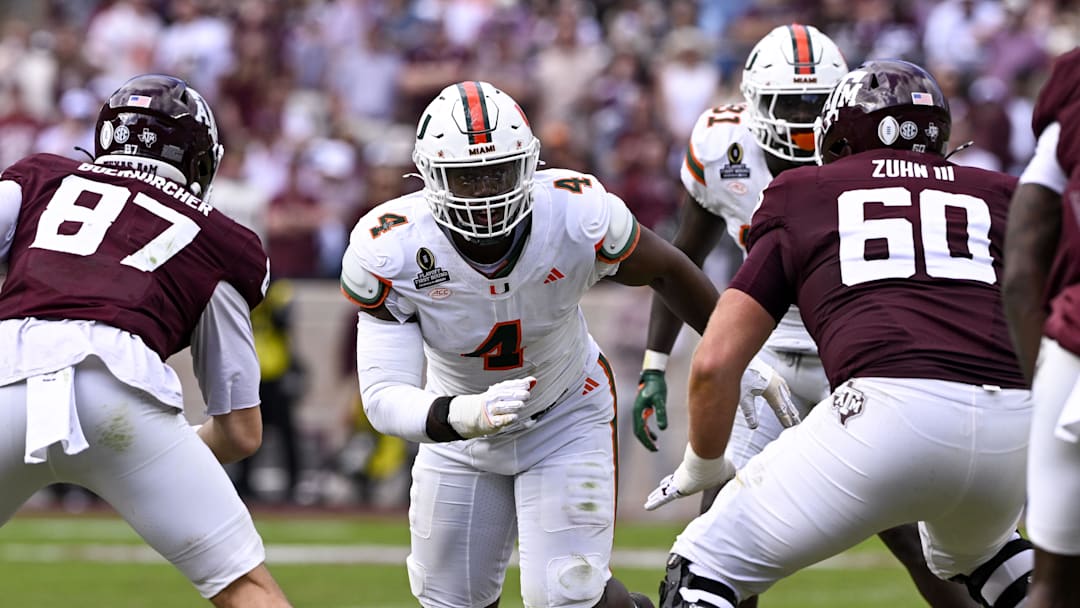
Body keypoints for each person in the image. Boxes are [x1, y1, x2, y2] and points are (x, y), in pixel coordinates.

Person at [644, 60, 1034, 608]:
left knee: (702, 567)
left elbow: (714, 363)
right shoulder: (1006, 193)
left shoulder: (804, 190)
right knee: (988, 558)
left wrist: (704, 462)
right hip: (1012, 423)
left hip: (888, 406)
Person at [340, 80, 720, 608]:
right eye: (468, 179)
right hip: (459, 435)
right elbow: (382, 397)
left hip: (564, 413)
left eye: (498, 172)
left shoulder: (575, 213)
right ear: (430, 177)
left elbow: (670, 270)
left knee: (567, 597)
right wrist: (466, 415)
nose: (487, 193)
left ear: (530, 164)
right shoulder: (393, 248)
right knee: (449, 600)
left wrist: (736, 350)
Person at [0, 74, 291, 608]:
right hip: (122, 389)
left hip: (8, 370)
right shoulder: (221, 240)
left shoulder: (40, 177)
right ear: (200, 162)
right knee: (245, 588)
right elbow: (241, 431)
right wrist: (144, 463)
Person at [1002, 47, 1080, 608]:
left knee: (1053, 587)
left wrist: (1045, 380)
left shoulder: (1072, 94)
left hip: (1073, 357)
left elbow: (1020, 273)